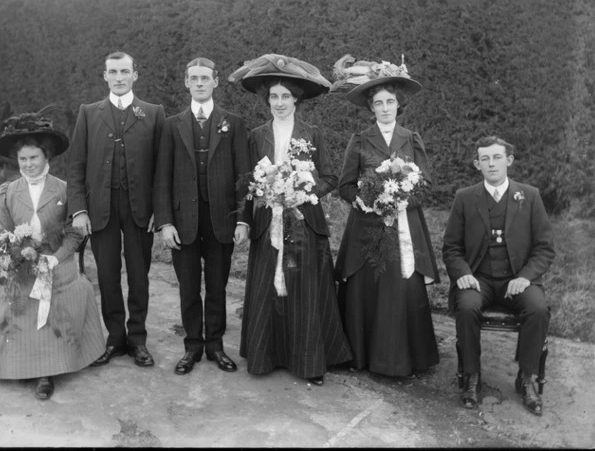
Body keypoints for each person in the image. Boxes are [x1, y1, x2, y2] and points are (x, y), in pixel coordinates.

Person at [228, 53, 352, 386]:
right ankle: (265, 354)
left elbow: (330, 177)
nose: (279, 102)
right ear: (266, 100)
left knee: (302, 288)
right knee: (269, 287)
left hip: (304, 219)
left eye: (285, 96)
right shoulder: (256, 136)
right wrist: (244, 218)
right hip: (268, 220)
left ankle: (309, 361)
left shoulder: (312, 133)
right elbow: (246, 182)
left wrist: (306, 191)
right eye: (273, 97)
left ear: (296, 99)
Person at [0, 109, 105, 400]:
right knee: (5, 298)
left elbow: (75, 232)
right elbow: (0, 232)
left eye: (34, 158)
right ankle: (15, 362)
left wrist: (55, 258)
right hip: (23, 261)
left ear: (46, 158)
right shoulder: (7, 192)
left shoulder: (65, 189)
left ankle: (46, 371)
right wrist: (12, 256)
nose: (29, 164)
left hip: (57, 260)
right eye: (23, 159)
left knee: (57, 291)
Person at [333, 56, 440, 378]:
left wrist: (403, 199)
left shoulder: (411, 138)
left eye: (389, 101)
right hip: (368, 227)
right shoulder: (361, 140)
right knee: (370, 287)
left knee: (402, 286)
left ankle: (406, 358)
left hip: (405, 225)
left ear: (398, 104)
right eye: (378, 103)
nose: (384, 108)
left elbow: (426, 184)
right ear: (371, 107)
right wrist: (369, 201)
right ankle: (364, 356)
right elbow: (345, 186)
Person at [442, 136, 554, 415]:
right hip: (479, 279)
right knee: (466, 307)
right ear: (477, 164)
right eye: (485, 159)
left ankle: (526, 377)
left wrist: (526, 277)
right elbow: (451, 248)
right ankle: (472, 376)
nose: (491, 163)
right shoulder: (465, 198)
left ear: (509, 160)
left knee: (538, 309)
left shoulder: (530, 196)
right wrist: (463, 274)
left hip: (517, 278)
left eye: (496, 157)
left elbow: (544, 248)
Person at [67, 52, 165, 367]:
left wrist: (159, 212)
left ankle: (137, 340)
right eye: (113, 72)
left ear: (135, 74)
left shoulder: (153, 113)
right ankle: (114, 339)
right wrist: (79, 210)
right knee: (107, 276)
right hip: (100, 209)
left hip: (140, 211)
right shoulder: (89, 113)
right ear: (105, 76)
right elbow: (76, 167)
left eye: (125, 71)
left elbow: (162, 170)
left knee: (139, 276)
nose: (119, 77)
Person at [154, 57, 251, 375]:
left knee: (218, 286)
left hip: (221, 218)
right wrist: (165, 222)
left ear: (215, 81)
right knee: (188, 287)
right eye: (193, 78)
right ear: (185, 82)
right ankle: (193, 346)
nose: (199, 83)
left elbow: (243, 175)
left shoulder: (233, 123)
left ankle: (216, 346)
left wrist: (242, 219)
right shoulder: (171, 125)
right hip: (183, 221)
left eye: (204, 78)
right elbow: (162, 178)